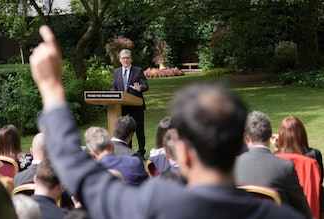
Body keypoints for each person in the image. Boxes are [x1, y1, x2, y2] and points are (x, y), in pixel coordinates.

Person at [30, 25, 305, 219]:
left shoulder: (153, 204)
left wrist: (52, 88)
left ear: (182, 152)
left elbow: (77, 171)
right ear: (241, 144)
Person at [234, 111, 312, 219]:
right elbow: (302, 210)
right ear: (270, 135)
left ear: (246, 138)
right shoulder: (285, 167)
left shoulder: (232, 167)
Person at [272, 115, 323, 218]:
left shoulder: (275, 157)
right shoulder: (314, 155)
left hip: (285, 207)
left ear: (282, 135)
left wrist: (277, 148)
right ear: (302, 134)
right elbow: (319, 180)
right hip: (313, 207)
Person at [111, 48, 149, 157]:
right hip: (122, 107)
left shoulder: (138, 70)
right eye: (123, 58)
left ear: (131, 59)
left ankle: (141, 151)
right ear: (120, 60)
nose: (126, 60)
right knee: (126, 130)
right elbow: (113, 86)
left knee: (139, 129)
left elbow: (146, 86)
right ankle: (128, 151)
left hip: (136, 106)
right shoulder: (117, 72)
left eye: (127, 58)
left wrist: (140, 88)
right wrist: (113, 93)